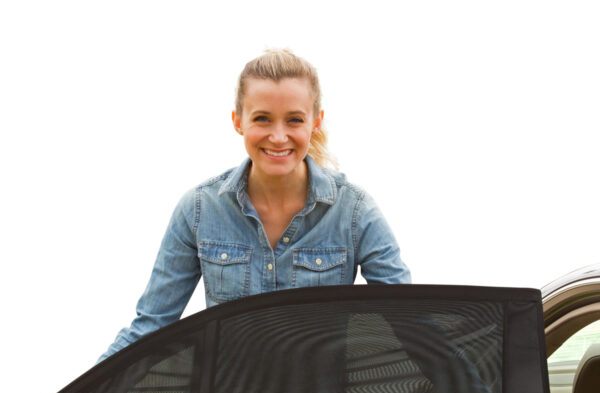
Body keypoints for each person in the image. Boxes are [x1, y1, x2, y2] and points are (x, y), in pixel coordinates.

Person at [98, 49, 410, 362]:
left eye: (294, 120)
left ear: (316, 122)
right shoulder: (198, 210)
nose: (278, 136)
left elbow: (410, 323)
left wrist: (457, 389)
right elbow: (151, 327)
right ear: (238, 121)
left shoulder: (355, 212)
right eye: (262, 119)